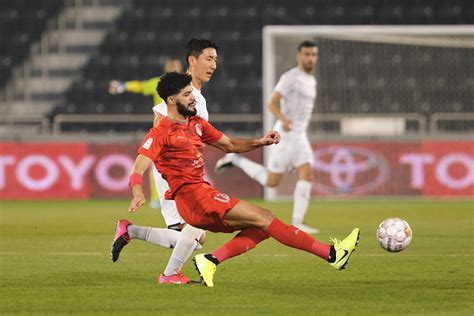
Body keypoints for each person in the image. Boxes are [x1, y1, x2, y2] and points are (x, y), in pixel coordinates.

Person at [126, 72, 360, 288]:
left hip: (201, 197)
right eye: (187, 95)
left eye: (192, 93)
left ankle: (210, 261)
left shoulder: (197, 124)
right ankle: (332, 254)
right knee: (267, 218)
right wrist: (137, 192)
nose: (192, 98)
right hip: (194, 199)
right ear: (170, 100)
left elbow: (228, 144)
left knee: (263, 227)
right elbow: (139, 166)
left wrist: (260, 141)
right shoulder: (161, 132)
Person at [111, 39, 219, 285]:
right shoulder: (183, 90)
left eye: (215, 60)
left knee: (194, 236)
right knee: (195, 229)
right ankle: (170, 274)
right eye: (209, 59)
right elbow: (160, 122)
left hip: (184, 171)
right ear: (192, 61)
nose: (214, 65)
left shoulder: (197, 95)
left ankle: (130, 231)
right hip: (173, 174)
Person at [215, 40, 320, 234]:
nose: (310, 58)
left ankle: (297, 222)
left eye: (313, 54)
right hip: (286, 135)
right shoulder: (290, 77)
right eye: (307, 54)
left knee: (307, 174)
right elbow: (272, 103)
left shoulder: (311, 81)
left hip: (300, 136)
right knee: (272, 182)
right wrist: (284, 119)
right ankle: (234, 159)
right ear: (299, 56)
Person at [109, 58, 183, 209]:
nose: (173, 69)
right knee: (156, 166)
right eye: (171, 66)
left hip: (182, 132)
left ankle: (179, 197)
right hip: (163, 131)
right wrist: (122, 86)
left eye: (176, 66)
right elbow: (141, 86)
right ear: (166, 69)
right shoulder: (158, 83)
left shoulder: (187, 86)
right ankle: (157, 199)